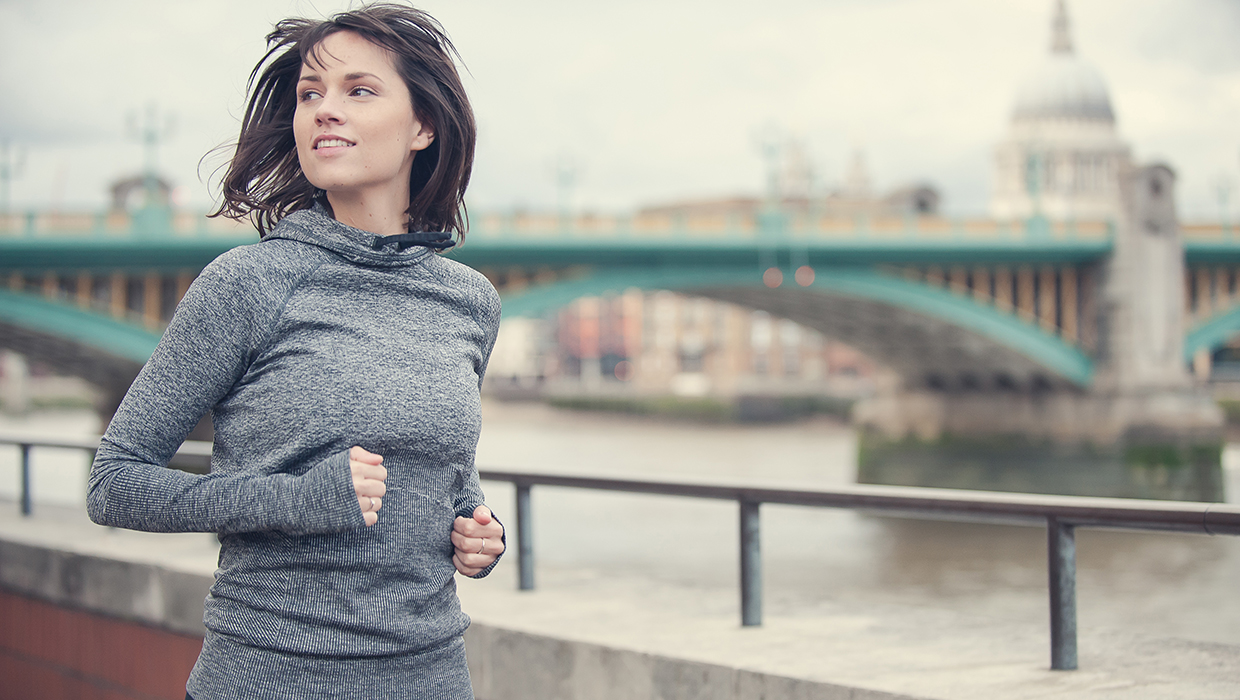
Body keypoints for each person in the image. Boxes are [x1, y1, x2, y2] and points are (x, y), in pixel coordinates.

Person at [86, 4, 504, 699]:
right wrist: (294, 500)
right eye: (311, 94)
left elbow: (445, 473)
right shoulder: (247, 284)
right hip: (269, 679)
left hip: (431, 678)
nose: (323, 111)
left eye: (358, 91)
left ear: (423, 126)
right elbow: (115, 484)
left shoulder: (469, 300)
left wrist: (476, 528)